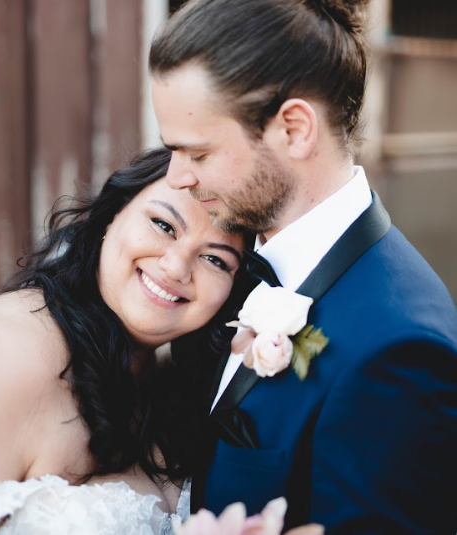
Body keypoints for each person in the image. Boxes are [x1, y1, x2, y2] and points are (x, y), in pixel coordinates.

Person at [149, 0, 457, 533]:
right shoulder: (232, 263)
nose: (176, 177)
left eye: (197, 154)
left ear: (293, 129)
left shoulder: (398, 350)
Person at [0, 148, 251, 535]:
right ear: (112, 215)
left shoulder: (176, 389)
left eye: (216, 260)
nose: (175, 267)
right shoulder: (9, 346)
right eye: (163, 225)